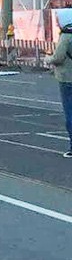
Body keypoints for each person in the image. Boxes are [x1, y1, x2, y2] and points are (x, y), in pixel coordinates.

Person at [45, 9, 72, 157]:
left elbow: (58, 57)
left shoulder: (66, 36)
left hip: (67, 77)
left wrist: (48, 59)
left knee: (70, 113)